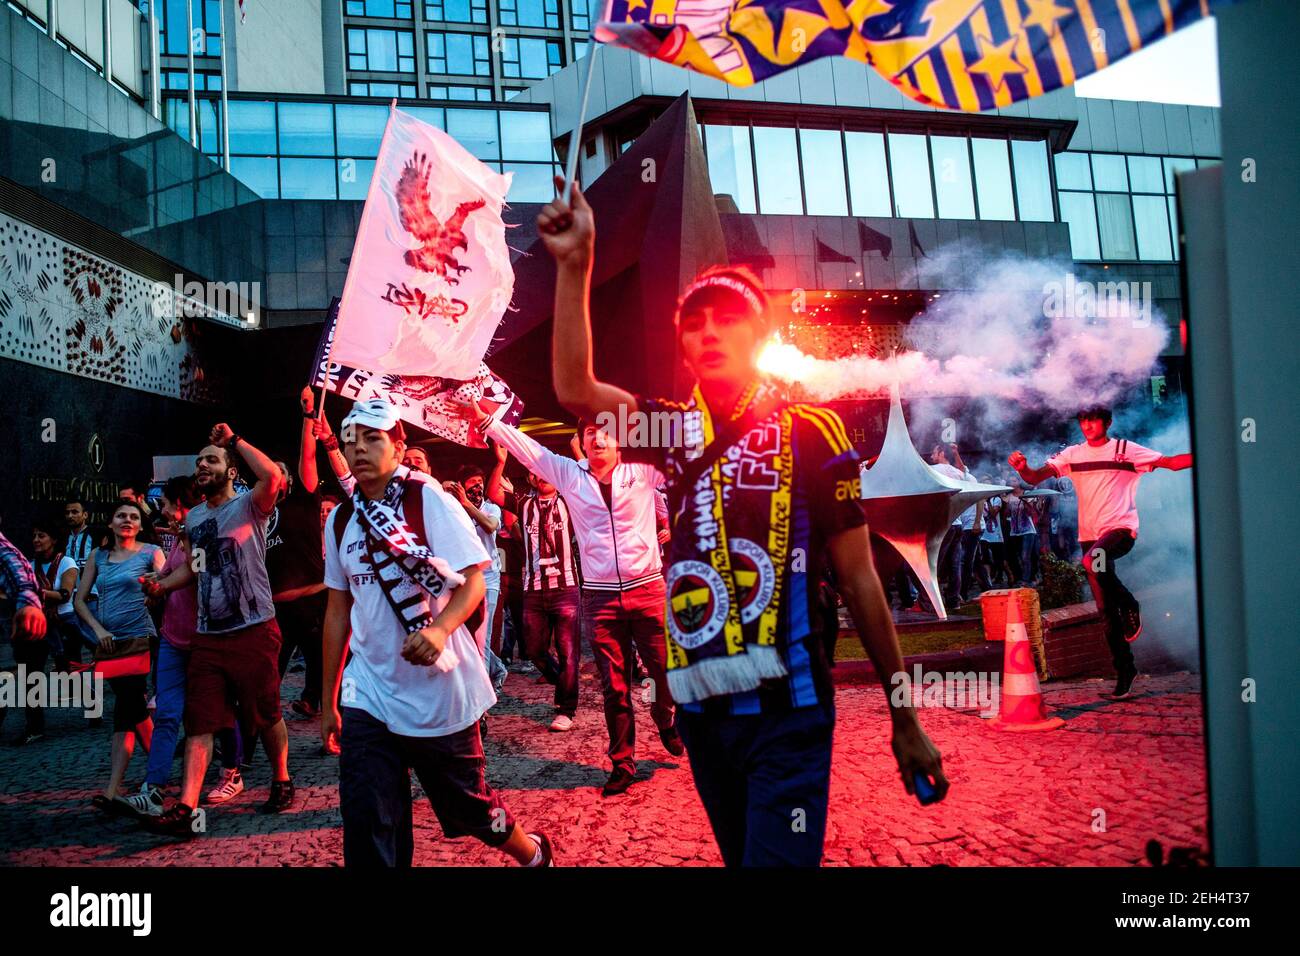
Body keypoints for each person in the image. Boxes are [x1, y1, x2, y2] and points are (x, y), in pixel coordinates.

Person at [536, 177, 947, 865]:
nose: (708, 330)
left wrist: (904, 714)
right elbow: (576, 391)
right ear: (684, 346)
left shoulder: (816, 432)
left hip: (790, 711)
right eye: (694, 323)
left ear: (758, 333)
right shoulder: (671, 429)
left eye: (726, 317)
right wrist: (576, 265)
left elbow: (861, 582)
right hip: (703, 711)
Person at [320, 399, 553, 867]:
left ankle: (529, 852)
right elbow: (337, 611)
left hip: (439, 689)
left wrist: (442, 629)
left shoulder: (427, 499)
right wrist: (330, 700)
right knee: (368, 817)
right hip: (369, 692)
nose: (359, 449)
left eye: (373, 438)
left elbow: (473, 581)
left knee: (473, 812)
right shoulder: (341, 519)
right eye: (351, 440)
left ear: (399, 446)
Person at [470, 411, 682, 796]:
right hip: (600, 596)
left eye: (606, 433)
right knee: (614, 685)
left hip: (648, 587)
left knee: (666, 671)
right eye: (590, 433)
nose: (598, 439)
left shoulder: (644, 471)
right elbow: (529, 451)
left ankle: (665, 715)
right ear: (582, 442)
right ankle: (622, 762)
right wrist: (489, 424)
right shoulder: (569, 474)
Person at [141, 423, 294, 836]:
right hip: (207, 635)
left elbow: (273, 477)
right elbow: (193, 569)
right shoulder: (193, 518)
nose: (202, 466)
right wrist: (161, 586)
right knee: (201, 721)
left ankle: (281, 778)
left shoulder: (249, 505)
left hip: (253, 627)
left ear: (230, 470)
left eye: (212, 459)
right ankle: (187, 809)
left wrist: (236, 441)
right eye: (199, 462)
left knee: (266, 714)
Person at [1009, 406, 1192, 699]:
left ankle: (1131, 604)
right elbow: (1034, 478)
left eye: (1093, 419)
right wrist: (1022, 468)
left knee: (1092, 562)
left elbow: (1169, 462)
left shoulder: (1124, 449)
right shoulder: (1072, 454)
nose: (1087, 425)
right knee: (1106, 612)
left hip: (1120, 530)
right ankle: (1125, 670)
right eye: (1083, 420)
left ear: (1106, 423)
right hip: (1089, 537)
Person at [75, 500, 165, 813]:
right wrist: (98, 630)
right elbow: (80, 601)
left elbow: (166, 588)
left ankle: (114, 789)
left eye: (133, 517)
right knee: (132, 708)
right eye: (121, 516)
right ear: (111, 522)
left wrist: (156, 589)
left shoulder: (151, 552)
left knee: (128, 706)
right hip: (109, 646)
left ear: (141, 525)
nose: (127, 520)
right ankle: (159, 772)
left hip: (140, 639)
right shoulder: (97, 556)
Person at [443, 466, 508, 693]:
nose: (477, 487)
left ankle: (482, 693)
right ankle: (498, 668)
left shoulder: (492, 508)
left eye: (480, 482)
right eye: (471, 483)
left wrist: (467, 504)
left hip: (489, 578)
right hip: (463, 579)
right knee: (462, 633)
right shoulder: (453, 509)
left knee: (483, 636)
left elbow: (490, 526)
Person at [1, 530, 49, 744]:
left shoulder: (4, 549)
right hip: (21, 624)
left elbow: (24, 582)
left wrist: (30, 607)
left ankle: (35, 727)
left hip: (25, 626)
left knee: (28, 677)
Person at [31, 518, 80, 675]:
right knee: (35, 667)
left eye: (41, 536)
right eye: (34, 536)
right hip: (40, 622)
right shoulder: (30, 566)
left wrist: (36, 593)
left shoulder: (66, 562)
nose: (36, 540)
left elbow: (65, 595)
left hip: (65, 621)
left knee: (70, 667)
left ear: (54, 539)